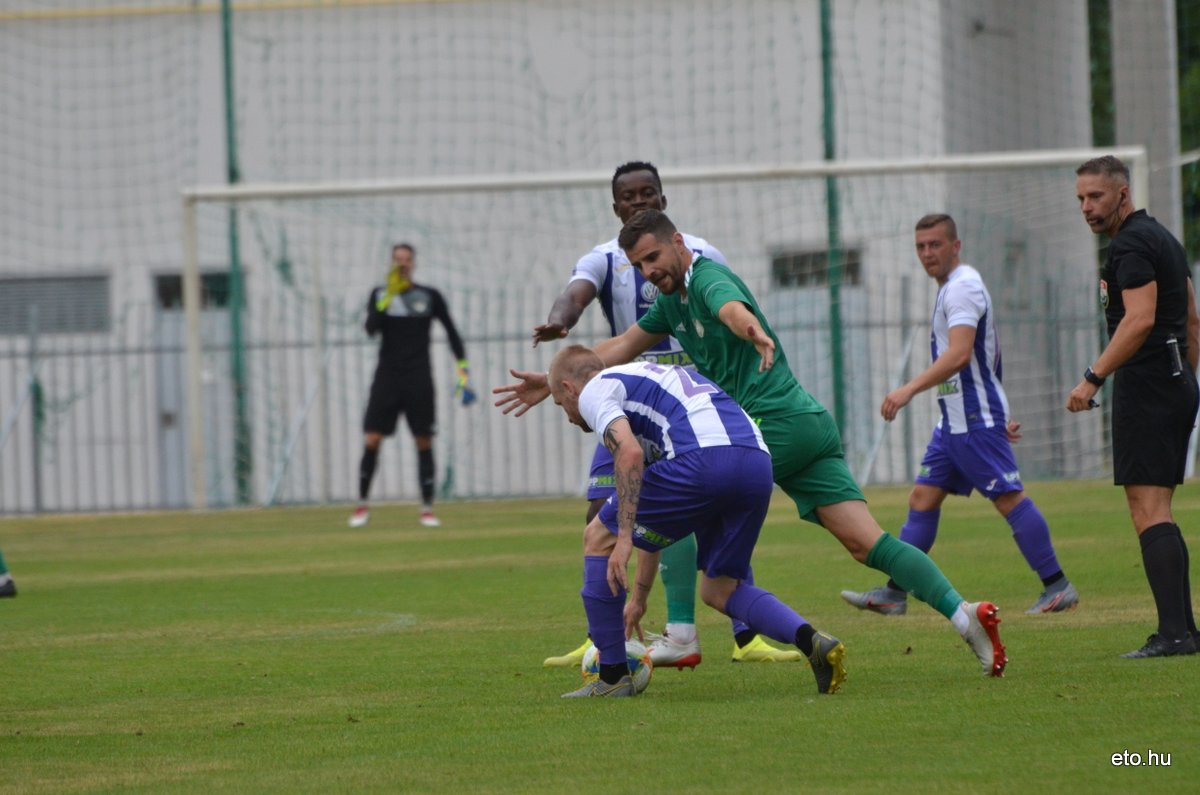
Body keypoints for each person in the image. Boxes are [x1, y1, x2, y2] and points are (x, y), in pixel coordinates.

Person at [496, 208, 1009, 677]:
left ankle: (678, 635)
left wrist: (752, 330)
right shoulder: (670, 304)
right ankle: (965, 615)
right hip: (806, 422)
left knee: (680, 497)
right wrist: (557, 379)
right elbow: (621, 347)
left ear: (678, 242)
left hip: (764, 426)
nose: (649, 270)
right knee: (866, 544)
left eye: (654, 256)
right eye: (638, 265)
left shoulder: (707, 279)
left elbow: (731, 308)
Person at [537, 161, 799, 670]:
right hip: (627, 396)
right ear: (615, 207)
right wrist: (558, 323)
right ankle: (610, 635)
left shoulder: (698, 255)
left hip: (692, 400)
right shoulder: (605, 259)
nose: (639, 202)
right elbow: (578, 295)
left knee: (705, 508)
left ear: (663, 198)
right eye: (629, 197)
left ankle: (734, 635)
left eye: (648, 194)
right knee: (603, 511)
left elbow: (728, 305)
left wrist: (749, 337)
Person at [547, 345, 846, 697]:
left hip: (701, 460)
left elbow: (629, 453)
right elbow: (656, 514)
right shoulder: (652, 379)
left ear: (570, 389)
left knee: (598, 535)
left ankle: (612, 677)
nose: (568, 415)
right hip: (755, 462)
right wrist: (639, 598)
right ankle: (812, 641)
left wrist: (623, 535)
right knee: (720, 589)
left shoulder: (596, 390)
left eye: (559, 403)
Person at [842, 214, 1078, 616]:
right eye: (921, 246)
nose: (927, 253)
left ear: (956, 245)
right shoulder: (954, 286)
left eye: (935, 244)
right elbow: (986, 357)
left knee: (1008, 497)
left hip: (971, 417)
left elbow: (961, 353)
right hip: (955, 420)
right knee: (922, 497)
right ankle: (895, 593)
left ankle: (1057, 585)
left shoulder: (963, 288)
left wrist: (908, 389)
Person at [1067, 155, 1199, 658]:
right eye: (1080, 198)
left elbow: (1140, 319)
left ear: (1122, 193)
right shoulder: (1162, 237)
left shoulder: (1131, 244)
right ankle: (1184, 630)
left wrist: (1093, 377)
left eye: (1095, 196)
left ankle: (1173, 636)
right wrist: (1186, 378)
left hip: (1148, 381)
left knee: (1147, 510)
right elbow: (1191, 319)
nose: (1086, 207)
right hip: (1173, 378)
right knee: (1159, 509)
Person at [349, 242, 471, 529]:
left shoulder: (429, 296)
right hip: (387, 377)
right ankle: (362, 505)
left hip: (418, 378)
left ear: (413, 263)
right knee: (372, 439)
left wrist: (463, 371)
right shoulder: (380, 295)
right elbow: (370, 328)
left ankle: (427, 509)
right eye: (397, 260)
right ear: (391, 263)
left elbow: (452, 333)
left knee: (423, 440)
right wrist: (387, 296)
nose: (402, 264)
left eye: (406, 259)